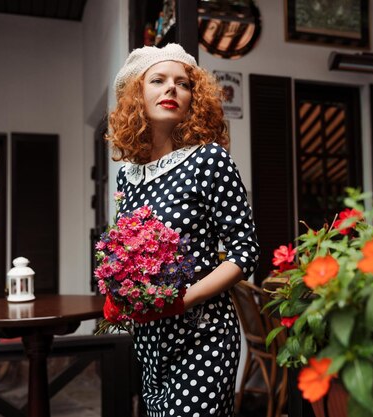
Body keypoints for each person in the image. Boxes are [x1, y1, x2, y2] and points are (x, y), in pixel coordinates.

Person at [107, 43, 260, 417]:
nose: (171, 89)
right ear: (137, 95)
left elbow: (245, 252)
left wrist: (182, 300)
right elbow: (129, 253)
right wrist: (121, 294)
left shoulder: (209, 159)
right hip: (150, 340)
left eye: (183, 83)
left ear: (195, 97)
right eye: (158, 80)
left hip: (202, 333)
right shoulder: (129, 175)